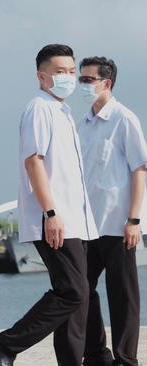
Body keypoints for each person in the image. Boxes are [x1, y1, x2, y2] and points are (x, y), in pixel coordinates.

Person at [0, 44, 98, 366]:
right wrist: (50, 213)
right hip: (55, 218)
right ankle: (5, 344)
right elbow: (33, 162)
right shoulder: (39, 109)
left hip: (76, 221)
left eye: (71, 71)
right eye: (60, 71)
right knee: (72, 291)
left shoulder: (63, 112)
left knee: (78, 299)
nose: (68, 77)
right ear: (41, 75)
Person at [77, 57, 145, 366]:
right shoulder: (82, 124)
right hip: (87, 225)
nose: (83, 85)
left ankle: (125, 359)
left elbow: (140, 169)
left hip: (118, 225)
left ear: (107, 83)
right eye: (82, 79)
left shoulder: (124, 118)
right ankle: (95, 355)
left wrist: (134, 219)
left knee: (123, 297)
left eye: (89, 79)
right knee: (79, 291)